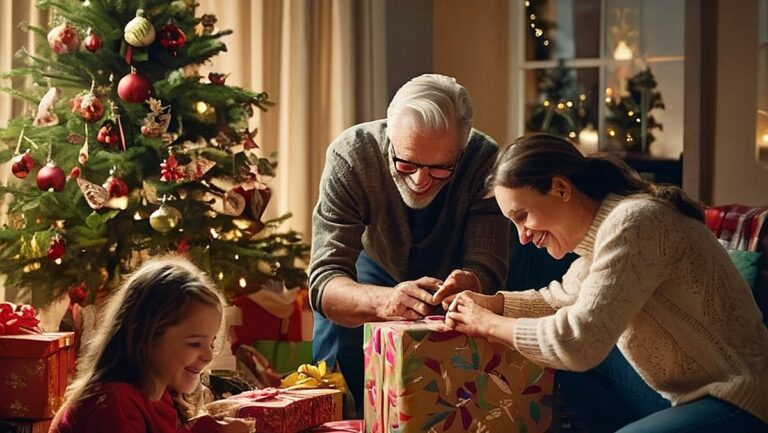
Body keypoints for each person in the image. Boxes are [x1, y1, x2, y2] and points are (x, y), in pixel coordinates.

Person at [440, 134, 768, 432]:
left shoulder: (635, 222)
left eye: (523, 216)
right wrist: (490, 303)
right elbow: (560, 300)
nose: (522, 237)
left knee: (572, 347)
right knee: (559, 357)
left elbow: (577, 341)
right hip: (683, 394)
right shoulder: (601, 235)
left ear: (561, 188)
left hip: (739, 395)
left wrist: (487, 323)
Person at [309, 73, 511, 415]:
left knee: (448, 403)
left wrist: (473, 282)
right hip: (370, 269)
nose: (419, 181)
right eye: (406, 162)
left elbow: (487, 267)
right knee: (339, 381)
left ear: (460, 152)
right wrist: (385, 301)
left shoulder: (483, 159)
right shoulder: (352, 154)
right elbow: (325, 281)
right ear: (390, 135)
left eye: (439, 169)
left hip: (451, 279)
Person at [50, 255, 237, 433]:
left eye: (211, 343)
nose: (209, 356)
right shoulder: (115, 404)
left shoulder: (162, 394)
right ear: (146, 337)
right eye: (195, 344)